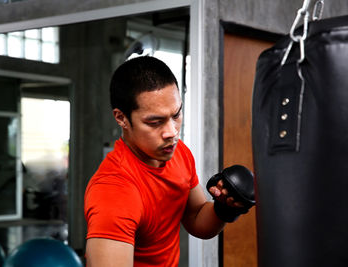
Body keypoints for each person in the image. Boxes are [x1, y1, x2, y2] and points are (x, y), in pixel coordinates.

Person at [84, 56, 254, 266]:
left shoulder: (178, 153)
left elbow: (196, 219)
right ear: (121, 118)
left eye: (176, 115)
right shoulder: (114, 191)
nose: (172, 132)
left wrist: (225, 208)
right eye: (155, 122)